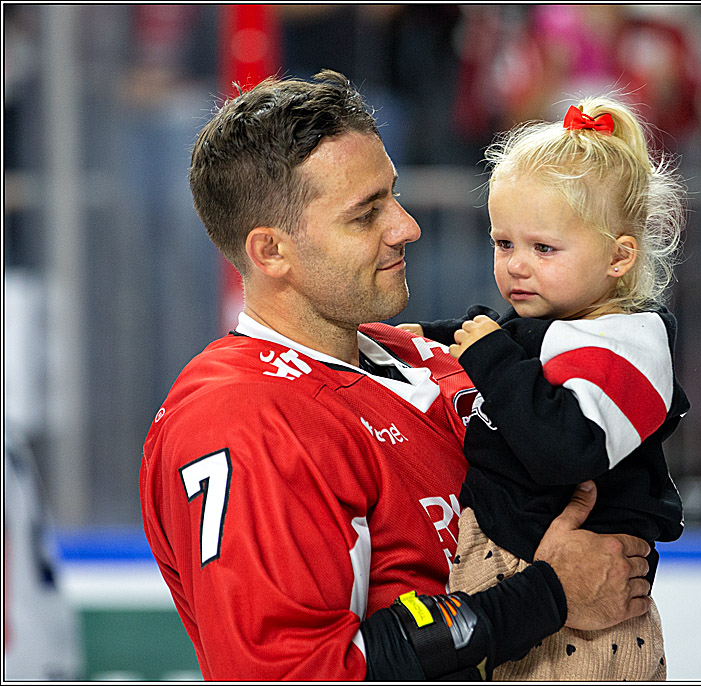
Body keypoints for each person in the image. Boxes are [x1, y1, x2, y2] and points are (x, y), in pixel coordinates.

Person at [138, 70, 655, 681]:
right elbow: (298, 673)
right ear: (270, 252)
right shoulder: (246, 420)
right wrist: (551, 595)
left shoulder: (432, 355)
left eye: (394, 193)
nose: (407, 226)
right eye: (366, 215)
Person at [401, 96, 687, 680]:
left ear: (619, 256)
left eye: (543, 248)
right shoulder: (541, 328)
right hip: (522, 589)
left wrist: (490, 360)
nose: (516, 266)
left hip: (587, 627)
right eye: (504, 244)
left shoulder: (628, 346)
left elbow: (564, 450)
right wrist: (403, 341)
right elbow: (480, 339)